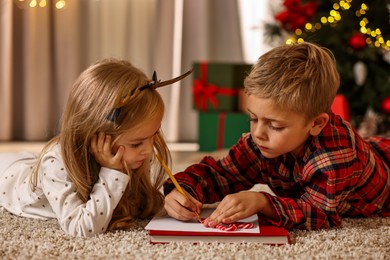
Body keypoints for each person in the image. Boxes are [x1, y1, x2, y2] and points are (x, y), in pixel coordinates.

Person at [163, 42, 390, 231]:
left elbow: (321, 214)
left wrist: (263, 201)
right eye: (253, 119)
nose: (258, 133)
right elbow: (221, 174)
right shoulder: (261, 140)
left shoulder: (335, 158)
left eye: (275, 126)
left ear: (316, 123)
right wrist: (183, 191)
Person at [0, 58, 191, 237]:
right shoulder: (56, 163)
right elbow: (82, 228)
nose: (149, 150)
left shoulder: (134, 152)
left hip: (27, 161)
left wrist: (172, 202)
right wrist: (112, 173)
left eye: (154, 135)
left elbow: (142, 203)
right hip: (8, 174)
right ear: (96, 137)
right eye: (137, 143)